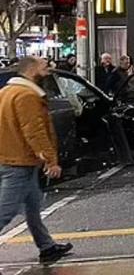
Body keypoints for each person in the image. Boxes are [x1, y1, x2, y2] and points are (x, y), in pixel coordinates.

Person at [0, 57, 73, 263]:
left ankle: (47, 246)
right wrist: (51, 160)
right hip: (19, 162)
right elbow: (34, 131)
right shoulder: (27, 95)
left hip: (11, 158)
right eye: (44, 67)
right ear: (32, 70)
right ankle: (47, 246)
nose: (49, 70)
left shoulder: (6, 92)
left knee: (32, 206)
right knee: (6, 211)